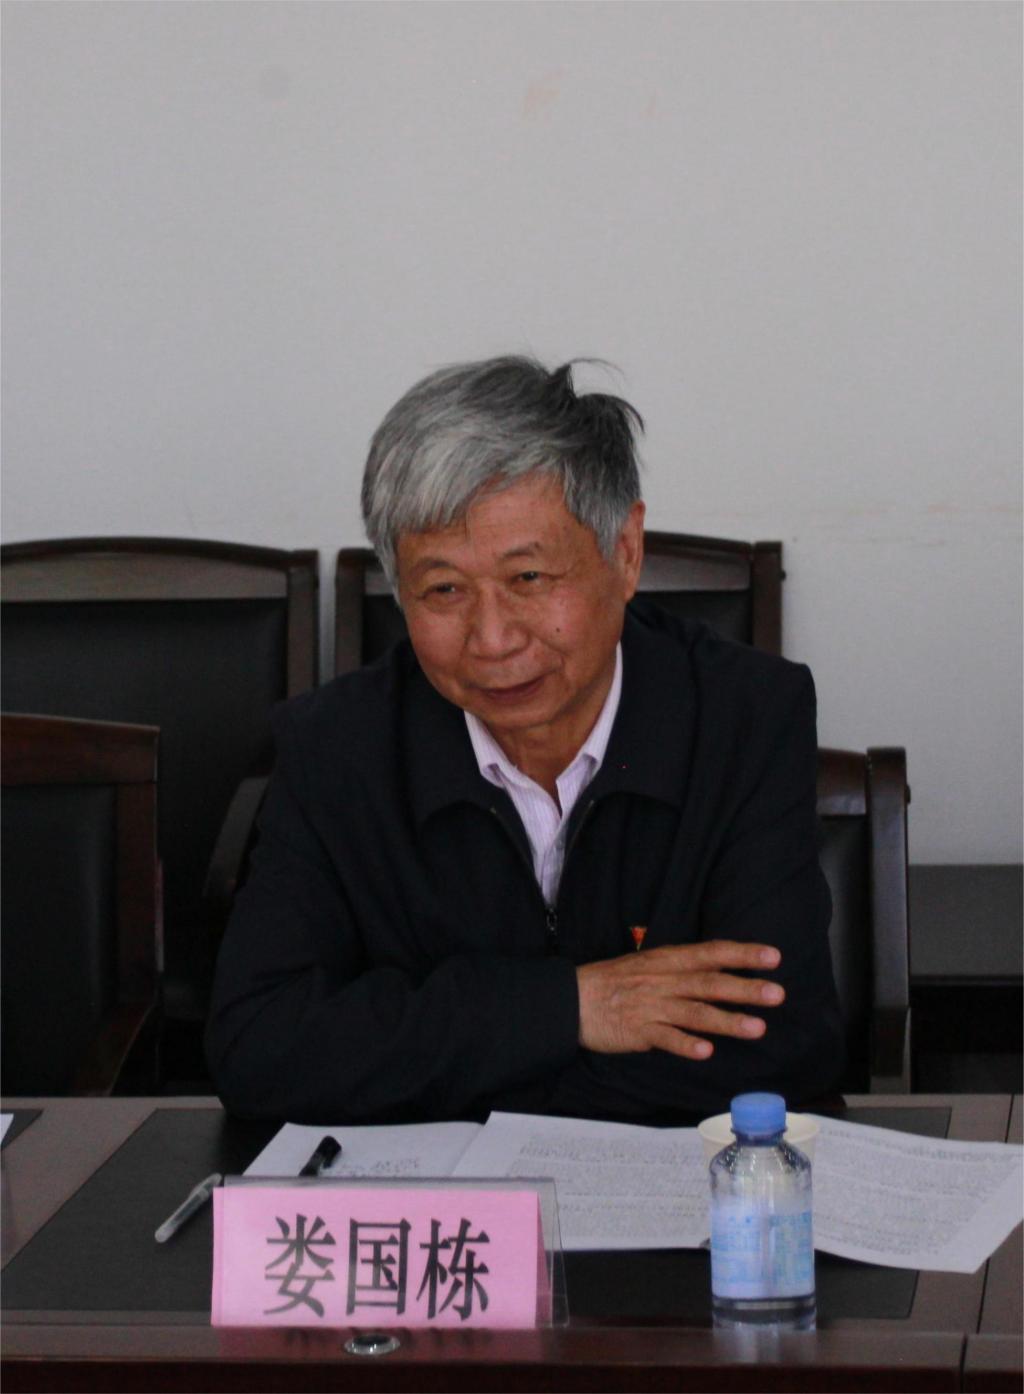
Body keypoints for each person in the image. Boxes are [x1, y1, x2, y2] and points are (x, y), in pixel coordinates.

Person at [206, 355, 844, 1124]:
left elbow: (779, 1045)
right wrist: (569, 1007)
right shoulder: (335, 748)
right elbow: (261, 1050)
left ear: (625, 552)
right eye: (444, 589)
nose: (493, 638)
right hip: (440, 1200)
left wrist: (433, 1062)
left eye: (529, 579)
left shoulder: (748, 717)